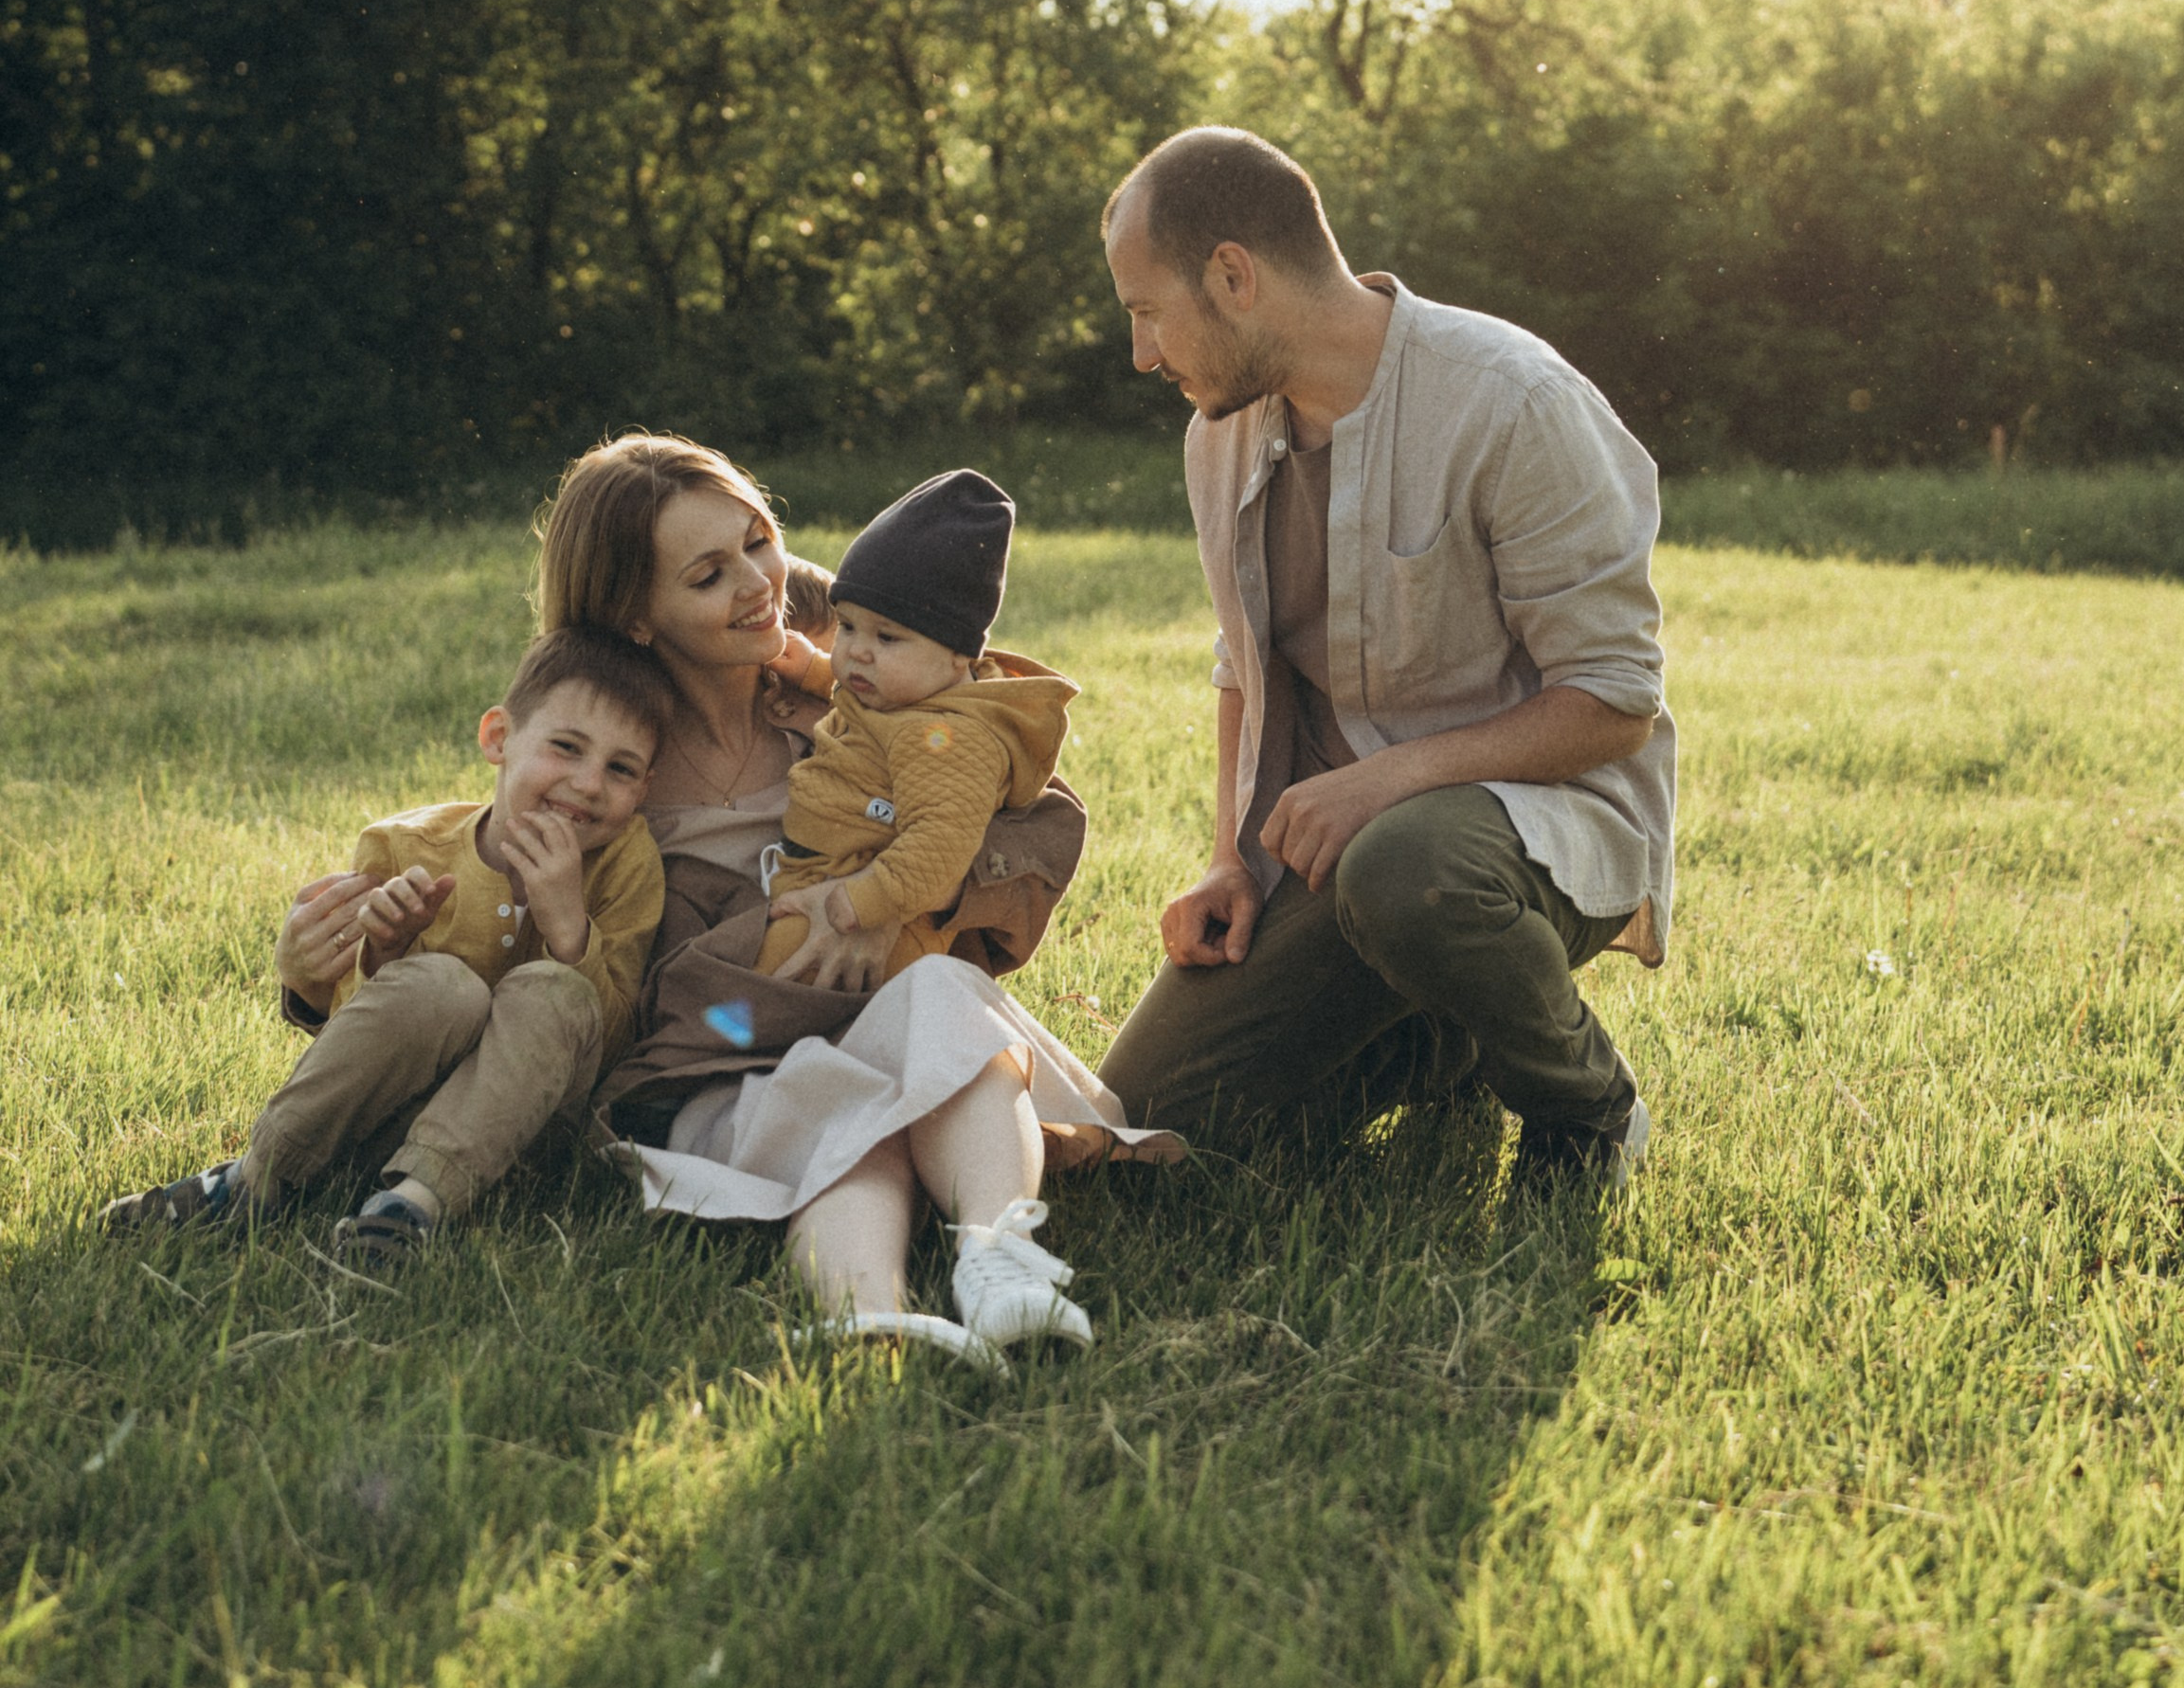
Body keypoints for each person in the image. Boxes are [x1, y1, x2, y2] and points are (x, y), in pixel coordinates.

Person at [270, 435, 1164, 1357]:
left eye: (759, 539)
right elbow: (495, 957)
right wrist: (319, 978)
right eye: (708, 574)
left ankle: (996, 1257)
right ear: (636, 615)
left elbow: (1031, 810)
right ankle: (865, 1311)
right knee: (834, 1104)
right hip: (720, 1059)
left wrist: (896, 904)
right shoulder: (605, 766)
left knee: (943, 1004)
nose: (757, 581)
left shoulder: (848, 678)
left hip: (887, 1007)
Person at [1096, 127, 1675, 1186]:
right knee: (1152, 1130)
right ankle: (1445, 1037)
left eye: (1146, 312)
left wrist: (1384, 783)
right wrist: (1230, 854)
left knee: (1407, 866)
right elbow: (1244, 665)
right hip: (1331, 854)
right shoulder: (1217, 434)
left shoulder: (1513, 401)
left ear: (1233, 276)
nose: (1142, 354)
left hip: (1520, 836)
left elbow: (1611, 702)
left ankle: (1584, 1105)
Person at [106, 627, 672, 1252]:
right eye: (567, 748)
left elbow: (612, 1040)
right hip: (375, 1120)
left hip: (519, 1139)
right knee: (441, 985)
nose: (590, 784)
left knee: (553, 991)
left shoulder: (627, 864)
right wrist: (382, 953)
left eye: (620, 768)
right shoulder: (404, 847)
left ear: (643, 788)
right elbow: (349, 1034)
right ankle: (256, 1179)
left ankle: (410, 1210)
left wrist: (569, 929)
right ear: (499, 738)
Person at [758, 469, 1075, 986]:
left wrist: (856, 905)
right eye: (849, 627)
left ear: (956, 656)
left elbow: (938, 849)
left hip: (867, 914)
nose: (858, 651)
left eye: (887, 637)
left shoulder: (951, 740)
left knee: (763, 993)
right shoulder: (904, 694)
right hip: (822, 877)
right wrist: (815, 669)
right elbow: (862, 706)